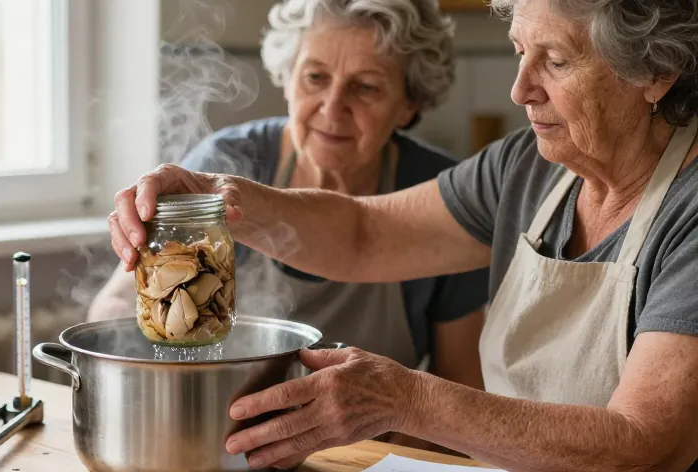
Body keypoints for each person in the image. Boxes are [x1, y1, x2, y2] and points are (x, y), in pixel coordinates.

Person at [107, 0, 698, 472]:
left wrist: (402, 398)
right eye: (520, 51)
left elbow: (644, 448)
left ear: (655, 73)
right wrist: (225, 195)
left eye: (558, 61)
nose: (520, 89)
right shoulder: (525, 167)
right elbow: (365, 236)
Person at [88, 0, 491, 437]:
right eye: (315, 77)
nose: (332, 108)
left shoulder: (439, 196)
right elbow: (114, 309)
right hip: (225, 439)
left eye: (366, 87)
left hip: (374, 463)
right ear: (287, 78)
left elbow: (461, 382)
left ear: (408, 105)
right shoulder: (229, 168)